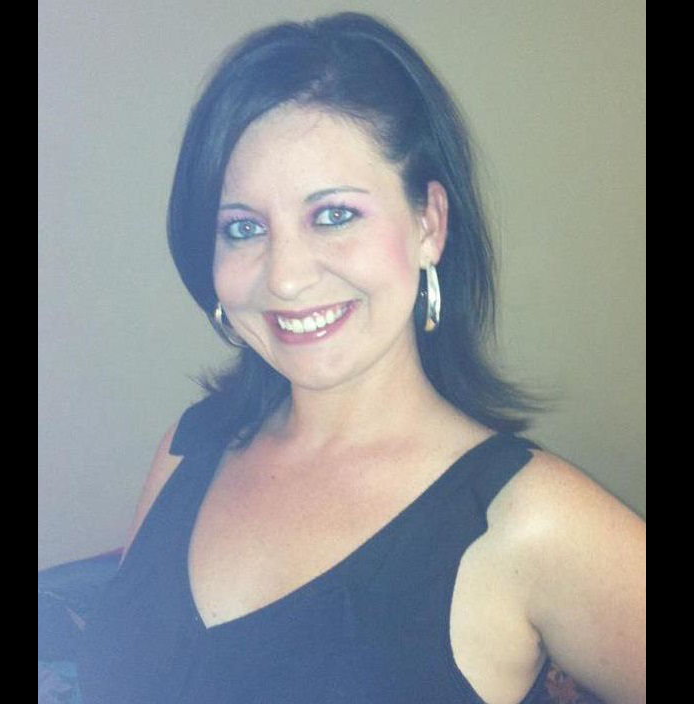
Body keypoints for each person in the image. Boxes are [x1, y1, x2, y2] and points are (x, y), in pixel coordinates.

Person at [77, 12, 645, 704]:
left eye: (334, 215)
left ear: (429, 223)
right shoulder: (185, 451)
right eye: (244, 228)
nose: (286, 278)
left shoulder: (529, 518)